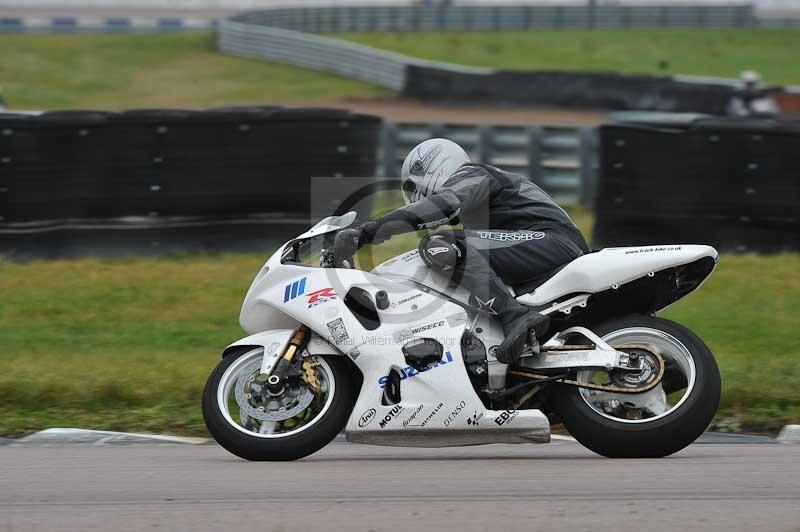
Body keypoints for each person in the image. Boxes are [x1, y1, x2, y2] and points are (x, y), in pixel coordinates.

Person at [335, 138, 588, 365]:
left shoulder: (473, 175)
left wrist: (367, 233)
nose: (415, 196)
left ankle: (515, 317)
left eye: (414, 186)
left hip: (553, 239)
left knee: (440, 244)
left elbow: (441, 205)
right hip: (544, 245)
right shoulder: (476, 210)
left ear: (434, 165)